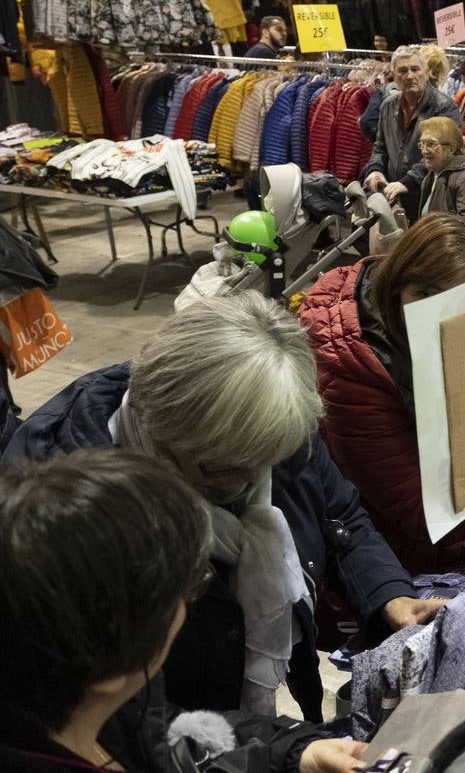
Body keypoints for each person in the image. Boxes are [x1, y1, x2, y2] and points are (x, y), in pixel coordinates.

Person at [2, 293, 440, 721]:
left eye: (267, 460)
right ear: (164, 430)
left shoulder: (273, 426)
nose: (248, 480)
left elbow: (340, 516)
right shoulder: (65, 519)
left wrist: (390, 596)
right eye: (222, 468)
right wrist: (272, 749)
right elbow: (100, 712)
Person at [0, 450, 370, 773]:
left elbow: (167, 740)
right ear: (108, 660)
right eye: (187, 588)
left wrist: (290, 753)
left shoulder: (100, 709)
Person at [300, 214, 465, 573]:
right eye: (427, 295)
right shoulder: (353, 372)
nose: (440, 316)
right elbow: (419, 514)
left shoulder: (442, 327)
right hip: (400, 555)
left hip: (457, 508)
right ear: (396, 285)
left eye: (461, 301)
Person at [363, 46, 462, 223]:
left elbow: (445, 153)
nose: (409, 76)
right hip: (392, 195)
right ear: (394, 76)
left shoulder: (444, 107)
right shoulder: (388, 105)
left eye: (415, 69)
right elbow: (380, 147)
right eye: (402, 71)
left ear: (426, 72)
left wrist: (409, 181)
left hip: (429, 197)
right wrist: (375, 170)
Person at [386, 116, 465, 231]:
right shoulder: (433, 173)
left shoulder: (464, 179)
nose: (424, 150)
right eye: (422, 144)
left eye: (431, 144)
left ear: (451, 149)